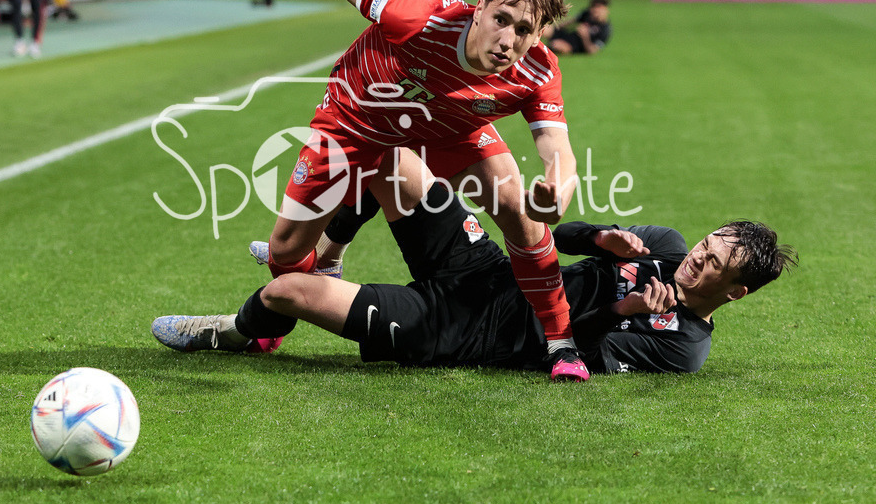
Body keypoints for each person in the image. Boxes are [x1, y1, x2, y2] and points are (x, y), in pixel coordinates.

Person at [198, 0, 586, 380]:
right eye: (502, 19)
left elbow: (557, 147)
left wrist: (559, 187)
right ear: (480, 8)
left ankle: (560, 342)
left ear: (538, 36)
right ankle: (282, 312)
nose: (508, 39)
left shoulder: (537, 71)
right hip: (358, 121)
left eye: (524, 30)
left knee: (520, 210)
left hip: (451, 128)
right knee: (286, 252)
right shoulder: (416, 16)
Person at [152, 149, 797, 375]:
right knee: (392, 156)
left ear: (734, 291)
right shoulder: (667, 245)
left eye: (715, 264)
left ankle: (238, 332)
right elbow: (552, 234)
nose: (697, 259)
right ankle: (331, 257)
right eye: (708, 244)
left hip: (466, 331)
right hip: (487, 267)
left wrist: (620, 308)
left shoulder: (683, 347)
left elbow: (568, 352)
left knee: (283, 295)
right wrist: (601, 237)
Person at [545, 0, 612, 55]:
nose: (595, 10)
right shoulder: (587, 14)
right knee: (544, 29)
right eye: (593, 7)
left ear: (606, 10)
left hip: (573, 46)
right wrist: (556, 26)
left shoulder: (605, 29)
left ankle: (543, 49)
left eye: (599, 7)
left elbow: (592, 51)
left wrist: (585, 36)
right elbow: (572, 21)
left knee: (555, 45)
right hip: (567, 35)